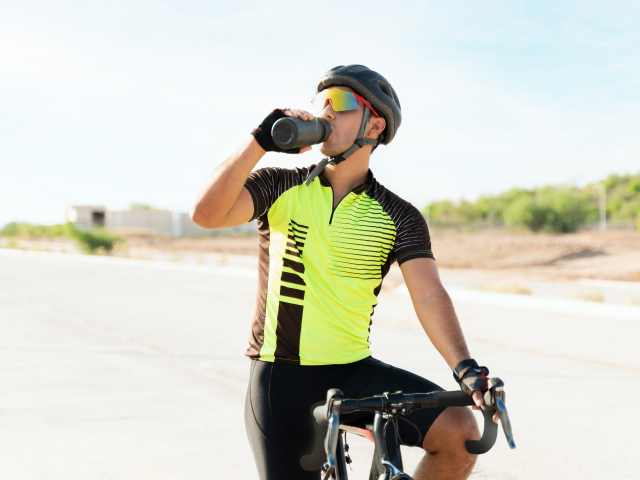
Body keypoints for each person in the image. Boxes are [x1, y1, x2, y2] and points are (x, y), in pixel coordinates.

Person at [191, 64, 503, 480]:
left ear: (375, 125)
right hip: (279, 377)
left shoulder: (399, 216)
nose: (326, 113)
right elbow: (205, 214)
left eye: (339, 104)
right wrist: (259, 142)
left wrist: (465, 368)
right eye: (322, 104)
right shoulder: (280, 185)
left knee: (460, 434)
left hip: (352, 370)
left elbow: (428, 295)